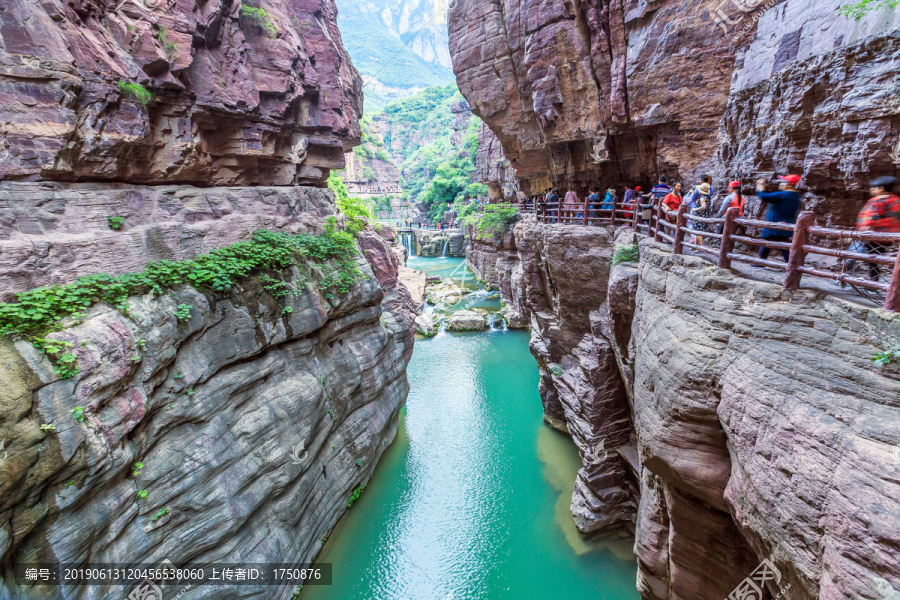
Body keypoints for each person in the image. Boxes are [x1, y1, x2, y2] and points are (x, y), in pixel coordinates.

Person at [856, 176, 900, 280]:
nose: (871, 190)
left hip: (873, 237)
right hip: (890, 237)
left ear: (881, 189)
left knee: (854, 256)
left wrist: (863, 232)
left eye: (873, 188)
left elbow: (871, 218)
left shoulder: (878, 201)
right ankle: (873, 281)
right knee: (872, 259)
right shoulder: (897, 201)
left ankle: (871, 283)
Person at [756, 174, 802, 263]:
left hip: (775, 225)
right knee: (782, 245)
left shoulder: (784, 194)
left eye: (783, 182)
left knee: (767, 243)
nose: (781, 184)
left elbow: (763, 196)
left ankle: (761, 263)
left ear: (788, 184)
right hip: (786, 225)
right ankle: (790, 264)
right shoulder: (795, 196)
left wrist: (760, 185)